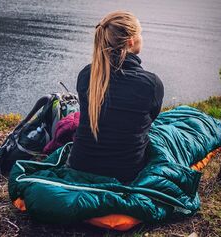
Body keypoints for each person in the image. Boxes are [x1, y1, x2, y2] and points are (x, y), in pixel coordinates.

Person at [67, 10, 164, 183]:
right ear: (131, 41)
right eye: (140, 34)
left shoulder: (86, 75)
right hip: (125, 172)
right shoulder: (151, 83)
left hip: (79, 164)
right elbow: (150, 120)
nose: (142, 38)